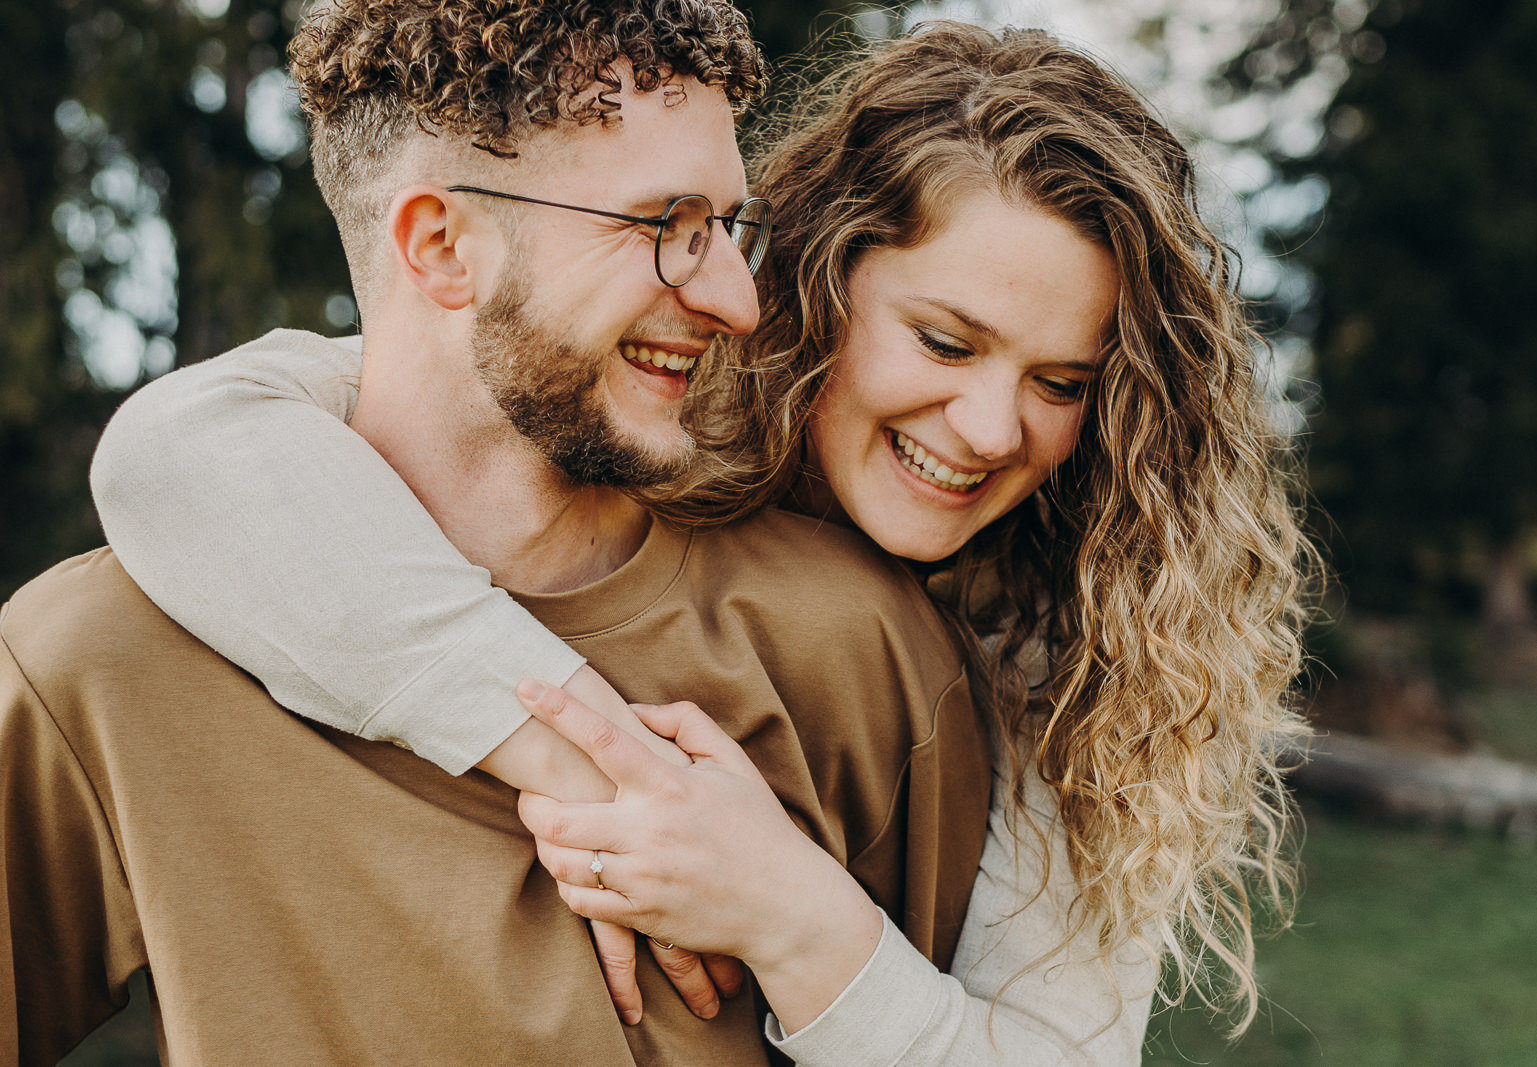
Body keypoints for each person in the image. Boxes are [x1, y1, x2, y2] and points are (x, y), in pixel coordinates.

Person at [89, 20, 1314, 1066]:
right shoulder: (634, 421)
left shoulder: (1084, 656)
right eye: (944, 342)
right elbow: (183, 447)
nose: (994, 428)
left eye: (1060, 382)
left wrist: (787, 912)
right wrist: (597, 766)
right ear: (819, 283)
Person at [0, 2, 998, 1063]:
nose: (735, 300)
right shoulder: (102, 660)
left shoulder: (855, 648)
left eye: (724, 227)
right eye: (666, 227)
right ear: (441, 246)